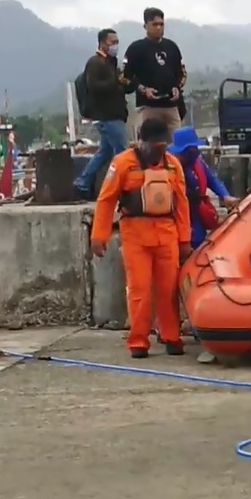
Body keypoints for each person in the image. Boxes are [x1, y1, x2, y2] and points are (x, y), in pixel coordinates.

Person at [91, 118, 192, 358]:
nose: (160, 148)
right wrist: (99, 236)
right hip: (135, 233)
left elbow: (181, 204)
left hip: (166, 233)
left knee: (168, 289)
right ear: (142, 141)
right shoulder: (122, 163)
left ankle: (171, 336)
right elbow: (106, 200)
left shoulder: (173, 165)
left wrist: (185, 239)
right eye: (155, 144)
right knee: (140, 290)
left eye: (163, 144)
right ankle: (138, 340)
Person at [74, 28, 128, 199]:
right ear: (102, 43)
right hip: (108, 115)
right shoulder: (96, 63)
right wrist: (116, 82)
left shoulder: (111, 63)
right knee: (122, 153)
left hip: (113, 114)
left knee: (104, 152)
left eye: (117, 42)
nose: (115, 45)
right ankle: (123, 187)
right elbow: (94, 87)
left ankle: (82, 182)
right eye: (113, 42)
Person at [167, 126, 238, 247]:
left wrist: (225, 195)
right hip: (178, 215)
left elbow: (213, 180)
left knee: (199, 242)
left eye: (194, 149)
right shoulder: (169, 167)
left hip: (196, 212)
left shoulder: (198, 163)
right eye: (189, 150)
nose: (194, 152)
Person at [123, 7, 185, 130]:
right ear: (145, 26)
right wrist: (143, 89)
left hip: (171, 107)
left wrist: (177, 87)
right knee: (151, 145)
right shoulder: (136, 48)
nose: (158, 28)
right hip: (148, 107)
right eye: (154, 24)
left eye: (161, 24)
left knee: (175, 147)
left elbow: (181, 73)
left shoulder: (171, 46)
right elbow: (124, 77)